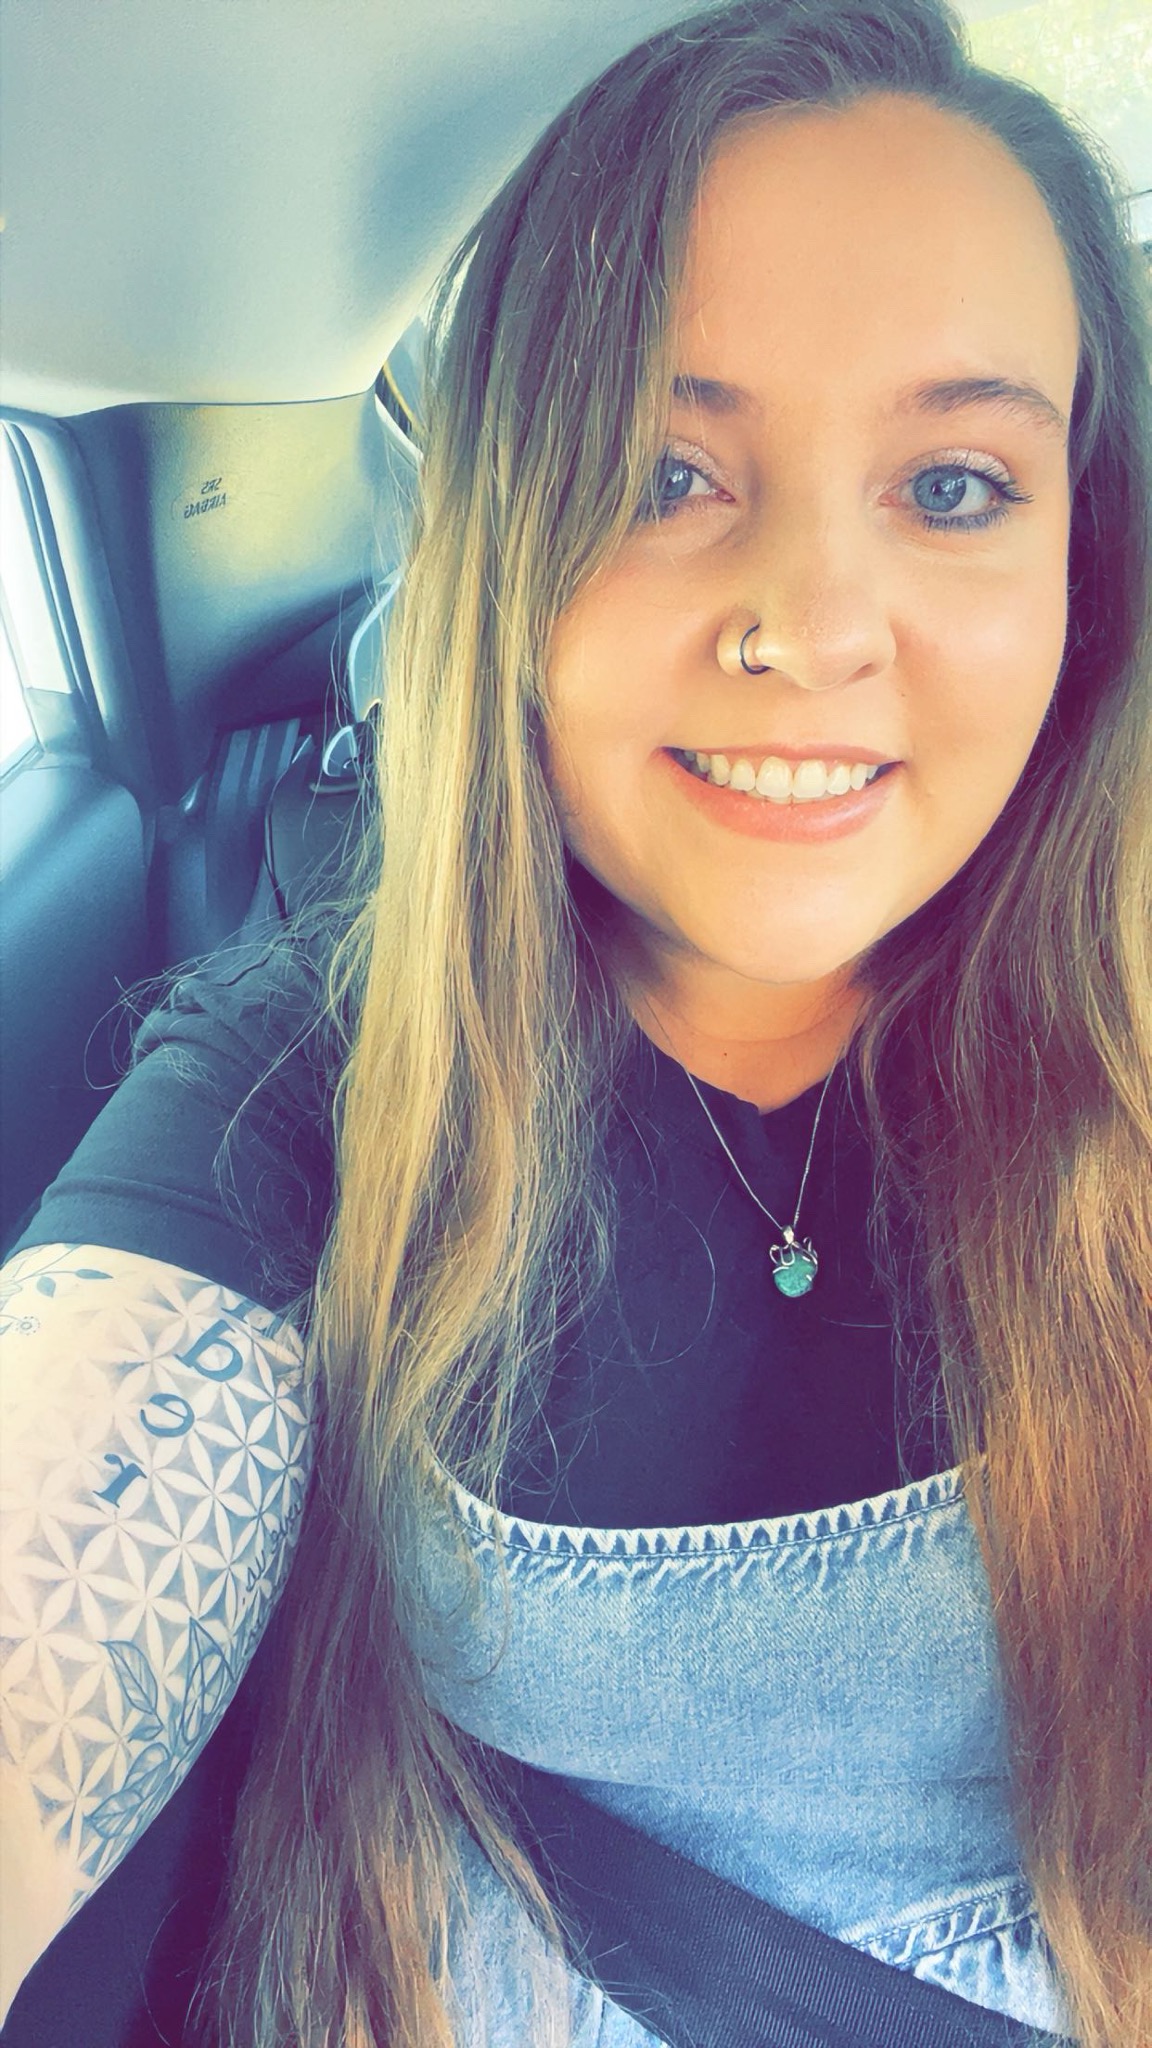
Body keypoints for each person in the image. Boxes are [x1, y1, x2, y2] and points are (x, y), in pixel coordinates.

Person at [1, 0, 1149, 2042]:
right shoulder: (307, 1082)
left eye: (956, 483)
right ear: (504, 539)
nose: (809, 624)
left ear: (1091, 556)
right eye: (663, 470)